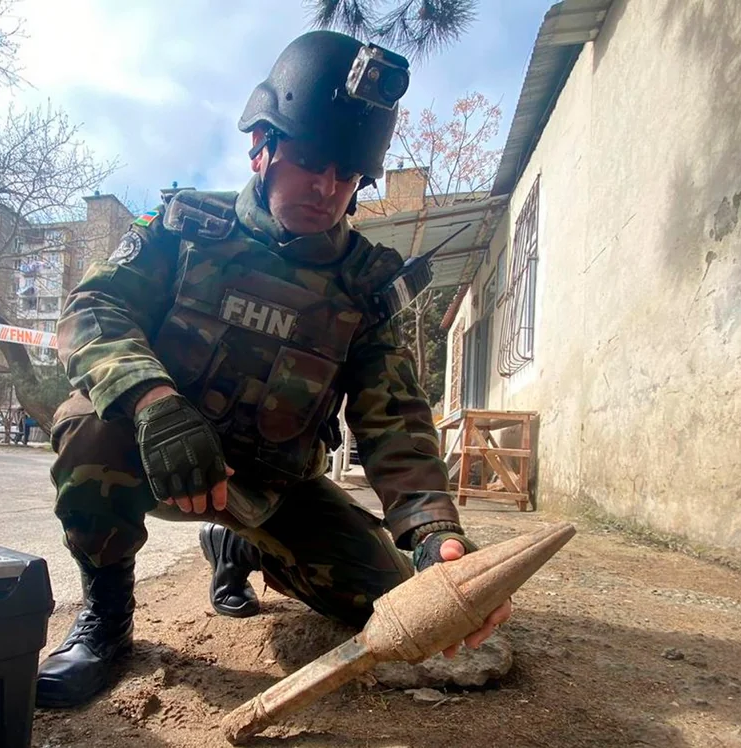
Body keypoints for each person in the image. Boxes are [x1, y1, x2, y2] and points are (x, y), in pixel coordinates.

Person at [37, 29, 511, 708]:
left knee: (395, 600)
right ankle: (106, 617)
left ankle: (243, 549)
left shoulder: (365, 286)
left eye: (348, 174)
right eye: (311, 161)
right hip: (163, 456)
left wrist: (435, 532)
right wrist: (152, 401)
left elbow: (395, 422)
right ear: (261, 146)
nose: (327, 187)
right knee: (86, 424)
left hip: (279, 487)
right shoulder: (183, 228)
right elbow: (92, 311)